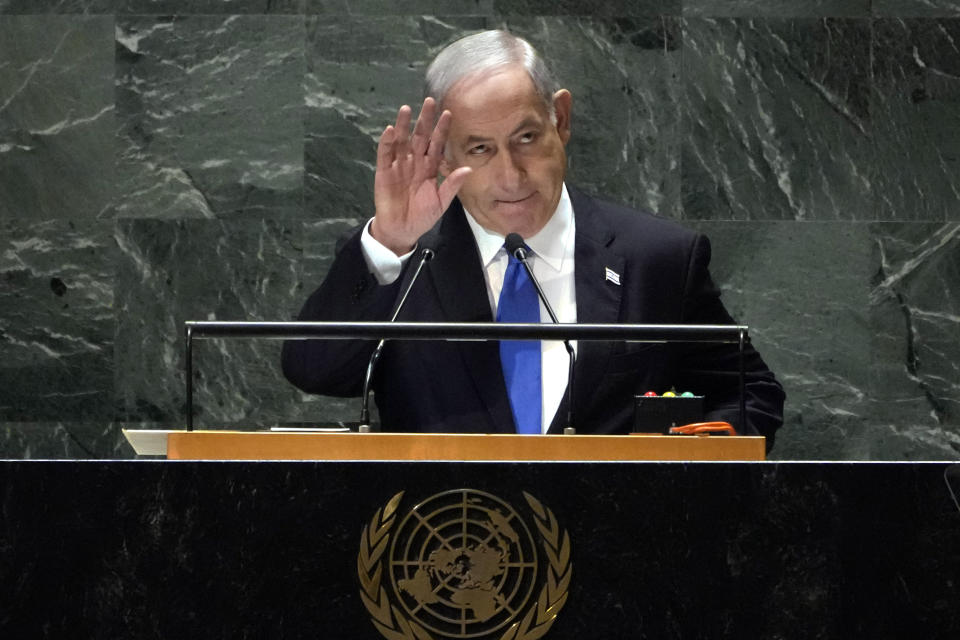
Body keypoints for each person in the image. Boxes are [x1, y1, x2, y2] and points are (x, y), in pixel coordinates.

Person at [282, 30, 785, 446]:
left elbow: (750, 394)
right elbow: (315, 372)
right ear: (441, 154)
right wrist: (390, 241)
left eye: (526, 139)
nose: (511, 176)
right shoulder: (403, 260)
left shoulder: (658, 258)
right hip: (453, 548)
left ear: (559, 120)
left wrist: (679, 472)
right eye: (479, 149)